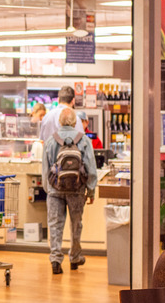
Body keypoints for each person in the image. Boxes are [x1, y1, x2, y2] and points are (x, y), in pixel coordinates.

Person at [43, 107, 97, 274]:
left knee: (55, 225)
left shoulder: (51, 141)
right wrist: (91, 190)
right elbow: (91, 169)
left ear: (59, 122)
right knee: (76, 224)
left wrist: (49, 189)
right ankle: (74, 257)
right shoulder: (84, 140)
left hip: (55, 190)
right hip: (77, 189)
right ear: (75, 122)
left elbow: (45, 169)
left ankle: (56, 261)